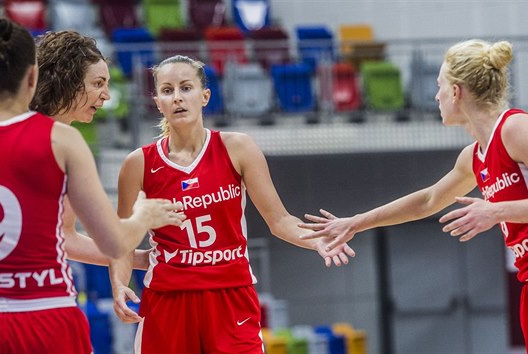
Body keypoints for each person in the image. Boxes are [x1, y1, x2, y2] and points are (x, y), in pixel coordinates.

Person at [0, 13, 181, 354]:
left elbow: (62, 238)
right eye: (98, 83)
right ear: (61, 78)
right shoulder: (58, 141)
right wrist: (143, 217)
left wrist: (139, 259)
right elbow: (95, 241)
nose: (106, 96)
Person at [299, 39, 528, 353]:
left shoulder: (516, 128)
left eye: (439, 86)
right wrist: (357, 223)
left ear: (456, 91)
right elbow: (428, 200)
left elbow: (499, 210)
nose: (435, 95)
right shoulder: (475, 156)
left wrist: (496, 212)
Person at [108, 55, 356, 353]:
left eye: (186, 88)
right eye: (167, 90)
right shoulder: (138, 163)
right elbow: (121, 240)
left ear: (205, 96)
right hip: (168, 298)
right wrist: (120, 283)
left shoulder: (238, 147)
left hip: (230, 295)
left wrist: (317, 241)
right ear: (157, 102)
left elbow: (279, 221)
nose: (177, 98)